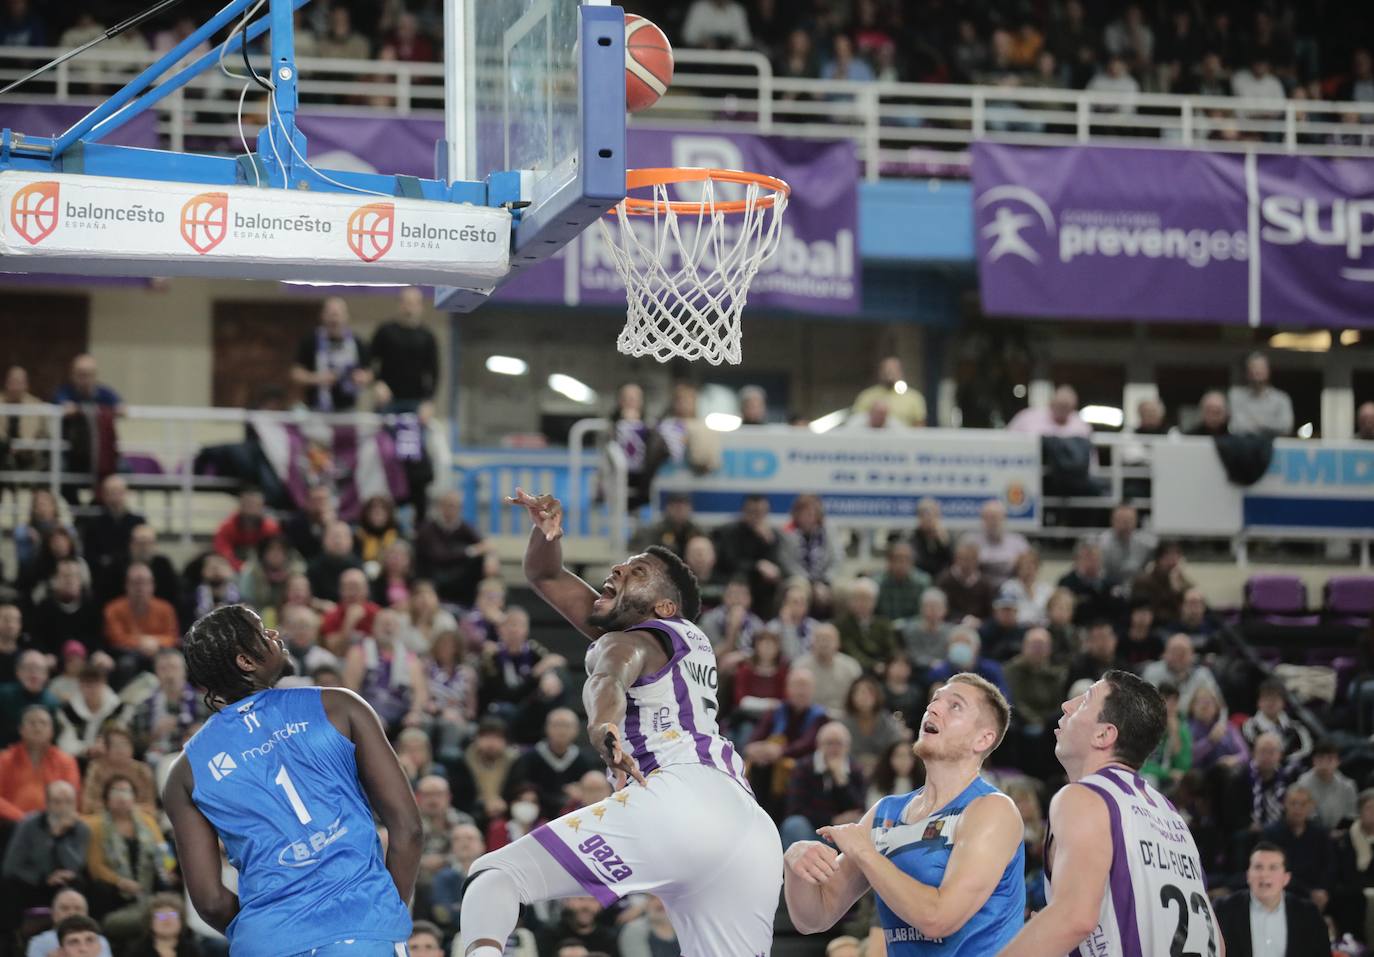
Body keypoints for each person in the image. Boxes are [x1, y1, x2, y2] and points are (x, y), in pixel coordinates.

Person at [459, 488, 783, 957]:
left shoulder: (636, 639)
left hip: (678, 800)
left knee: (496, 878)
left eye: (638, 573)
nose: (617, 570)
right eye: (621, 566)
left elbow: (608, 676)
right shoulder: (673, 639)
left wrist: (602, 726)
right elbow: (546, 573)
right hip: (749, 829)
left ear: (665, 607)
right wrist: (546, 531)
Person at [162, 604, 420, 955]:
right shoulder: (340, 706)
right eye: (262, 632)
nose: (275, 634)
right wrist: (384, 909)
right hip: (362, 927)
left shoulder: (184, 772)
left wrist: (270, 930)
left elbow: (209, 900)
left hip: (266, 942)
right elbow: (407, 827)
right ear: (245, 661)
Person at [783, 674, 1025, 952]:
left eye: (954, 706)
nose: (933, 709)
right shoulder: (886, 812)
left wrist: (866, 853)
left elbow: (938, 918)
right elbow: (815, 918)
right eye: (934, 701)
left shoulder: (992, 809)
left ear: (983, 739)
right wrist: (794, 863)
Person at [994, 671, 1220, 957]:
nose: (1067, 706)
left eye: (1085, 700)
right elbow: (1217, 943)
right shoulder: (1170, 815)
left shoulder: (1085, 797)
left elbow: (1074, 918)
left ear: (1104, 734)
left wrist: (1056, 926)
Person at [1214, 843, 1329, 957]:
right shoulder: (1223, 909)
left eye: (1273, 867)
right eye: (1258, 867)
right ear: (1248, 875)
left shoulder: (1308, 913)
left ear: (1286, 878)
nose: (1264, 874)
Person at [1, 780, 89, 913]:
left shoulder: (81, 829)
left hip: (62, 883)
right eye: (57, 802)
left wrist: (61, 838)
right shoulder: (28, 825)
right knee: (7, 884)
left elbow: (75, 866)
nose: (63, 807)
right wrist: (44, 878)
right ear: (47, 804)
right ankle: (10, 932)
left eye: (69, 802)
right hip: (33, 881)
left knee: (79, 882)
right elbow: (10, 867)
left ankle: (74, 925)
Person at [779, 721, 866, 850]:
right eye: (829, 743)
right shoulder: (804, 767)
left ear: (848, 747)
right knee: (794, 824)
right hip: (811, 831)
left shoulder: (855, 769)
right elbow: (795, 808)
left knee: (861, 826)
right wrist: (832, 820)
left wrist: (841, 780)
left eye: (839, 744)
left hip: (840, 835)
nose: (834, 748)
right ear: (818, 745)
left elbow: (859, 808)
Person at [291, 298, 376, 412]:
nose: (334, 319)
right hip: (316, 409)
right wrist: (317, 378)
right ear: (322, 316)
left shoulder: (357, 342)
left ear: (346, 316)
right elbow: (296, 374)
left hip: (349, 409)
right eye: (330, 314)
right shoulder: (311, 341)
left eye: (337, 314)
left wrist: (362, 378)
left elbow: (369, 373)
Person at [1, 706, 80, 822]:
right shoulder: (5, 759)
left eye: (43, 723)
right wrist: (23, 819)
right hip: (12, 824)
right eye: (32, 723)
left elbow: (71, 798)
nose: (38, 728)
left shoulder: (66, 761)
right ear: (21, 729)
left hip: (54, 824)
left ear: (52, 731)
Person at [369, 287, 439, 412]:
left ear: (421, 307)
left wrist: (429, 402)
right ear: (399, 304)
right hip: (387, 400)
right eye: (406, 303)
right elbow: (369, 361)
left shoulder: (427, 336)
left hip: (416, 402)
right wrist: (377, 383)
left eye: (414, 304)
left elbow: (434, 372)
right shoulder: (385, 331)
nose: (409, 308)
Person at [23, 889, 114, 957]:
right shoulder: (39, 942)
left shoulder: (100, 940)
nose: (71, 913)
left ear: (86, 914)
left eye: (77, 908)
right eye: (65, 908)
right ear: (54, 914)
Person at [1295, 740, 1358, 832]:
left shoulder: (1348, 786)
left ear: (1338, 762)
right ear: (1314, 761)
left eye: (1330, 759)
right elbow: (1303, 816)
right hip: (1311, 833)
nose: (1324, 764)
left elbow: (1351, 816)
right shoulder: (1302, 784)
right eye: (1320, 759)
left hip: (1340, 834)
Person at [1228, 352, 1295, 437]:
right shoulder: (1235, 396)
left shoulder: (1282, 398)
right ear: (1247, 372)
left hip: (1273, 448)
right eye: (1253, 367)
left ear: (1268, 371)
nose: (1257, 371)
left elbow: (1286, 427)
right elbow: (1236, 427)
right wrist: (1269, 424)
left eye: (1261, 367)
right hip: (1243, 447)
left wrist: (1255, 424)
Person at [851, 356, 927, 428]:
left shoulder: (913, 397)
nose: (889, 374)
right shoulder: (867, 395)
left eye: (893, 370)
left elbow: (919, 427)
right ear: (880, 372)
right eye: (887, 370)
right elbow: (857, 422)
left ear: (901, 372)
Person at [1006, 385, 1092, 438]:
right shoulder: (1028, 417)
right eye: (1059, 404)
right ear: (1051, 402)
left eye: (1066, 406)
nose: (1062, 409)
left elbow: (1091, 457)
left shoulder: (1081, 426)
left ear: (1073, 408)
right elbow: (1005, 438)